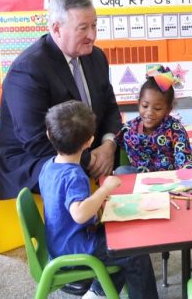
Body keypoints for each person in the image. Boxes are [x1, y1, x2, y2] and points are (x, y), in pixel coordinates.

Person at [0, 0, 120, 200]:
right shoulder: (28, 70)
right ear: (56, 29)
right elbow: (35, 140)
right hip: (35, 160)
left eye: (94, 26)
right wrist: (87, 159)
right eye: (83, 28)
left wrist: (109, 145)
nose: (92, 35)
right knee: (72, 175)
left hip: (86, 147)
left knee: (136, 153)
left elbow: (110, 107)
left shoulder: (96, 57)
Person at [38, 101, 157, 299]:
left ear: (49, 134)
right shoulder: (74, 176)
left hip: (60, 241)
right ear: (89, 141)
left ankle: (97, 293)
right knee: (135, 253)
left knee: (121, 242)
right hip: (75, 247)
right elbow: (79, 213)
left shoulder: (48, 166)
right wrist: (104, 190)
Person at [114, 65, 192, 173]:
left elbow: (184, 162)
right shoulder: (128, 130)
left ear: (168, 110)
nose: (149, 113)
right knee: (121, 171)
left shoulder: (176, 130)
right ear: (138, 104)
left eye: (157, 108)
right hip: (139, 180)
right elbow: (123, 164)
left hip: (169, 179)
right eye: (145, 106)